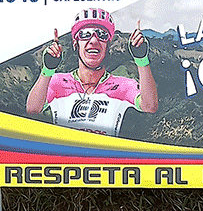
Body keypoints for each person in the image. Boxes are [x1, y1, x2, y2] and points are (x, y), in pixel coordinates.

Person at [26, 8, 158, 135]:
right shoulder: (57, 81)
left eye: (102, 35)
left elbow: (149, 106)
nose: (94, 40)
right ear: (75, 43)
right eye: (85, 34)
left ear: (108, 45)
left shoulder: (123, 85)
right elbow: (32, 109)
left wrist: (141, 60)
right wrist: (48, 70)